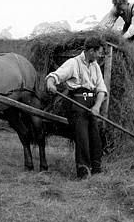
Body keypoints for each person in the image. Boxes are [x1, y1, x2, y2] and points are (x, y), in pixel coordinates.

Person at [46, 37, 108, 179]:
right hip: (76, 104)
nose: (100, 55)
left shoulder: (95, 66)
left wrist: (97, 106)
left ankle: (97, 170)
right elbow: (55, 76)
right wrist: (50, 82)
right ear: (91, 51)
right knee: (82, 138)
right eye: (99, 52)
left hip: (91, 105)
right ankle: (83, 172)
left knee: (95, 138)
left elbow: (101, 90)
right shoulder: (73, 63)